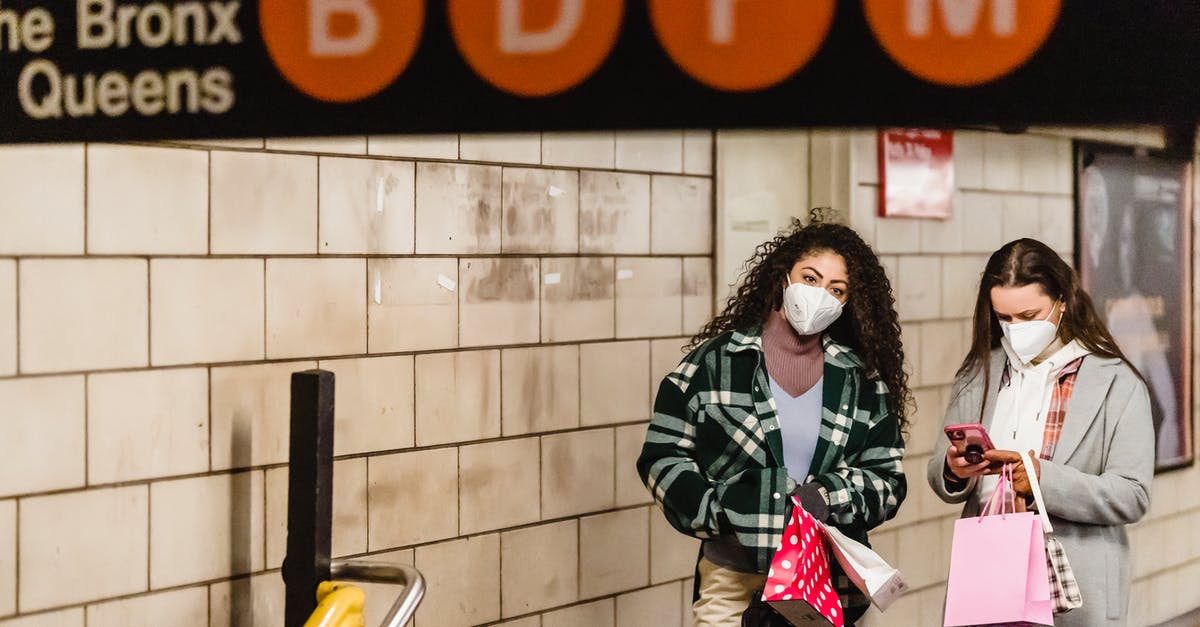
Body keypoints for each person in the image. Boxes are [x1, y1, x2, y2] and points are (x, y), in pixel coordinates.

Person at [637, 216, 909, 626]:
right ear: (784, 276)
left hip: (826, 579)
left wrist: (827, 496)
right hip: (732, 578)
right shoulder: (714, 364)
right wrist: (723, 511)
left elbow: (887, 479)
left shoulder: (861, 382)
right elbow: (662, 455)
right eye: (810, 278)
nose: (821, 295)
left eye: (836, 290)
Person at [927, 238, 1154, 627]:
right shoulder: (978, 373)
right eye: (1005, 318)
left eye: (1030, 315)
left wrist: (1038, 479)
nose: (1016, 330)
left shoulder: (1116, 383)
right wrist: (952, 470)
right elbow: (939, 469)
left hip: (1076, 585)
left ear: (1062, 300)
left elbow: (1132, 494)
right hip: (988, 574)